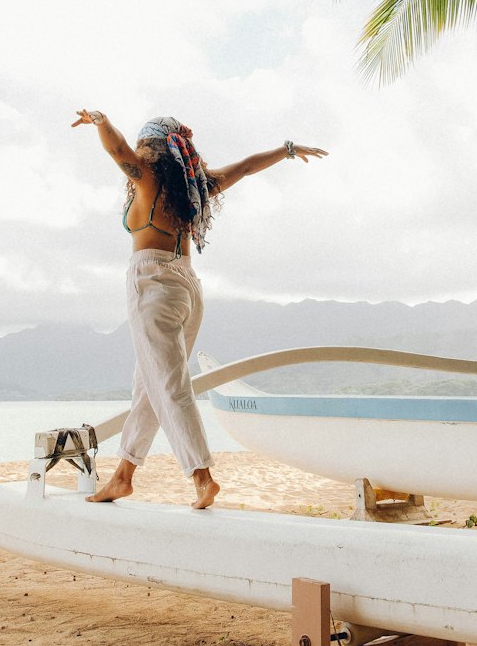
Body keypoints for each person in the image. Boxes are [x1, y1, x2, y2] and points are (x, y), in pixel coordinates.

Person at [72, 110, 327, 508]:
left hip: (152, 283)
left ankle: (201, 476)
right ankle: (122, 476)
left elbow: (116, 148)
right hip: (188, 287)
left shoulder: (145, 177)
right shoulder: (197, 187)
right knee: (149, 386)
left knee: (170, 387)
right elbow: (245, 167)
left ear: (151, 149)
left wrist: (101, 122)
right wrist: (288, 150)